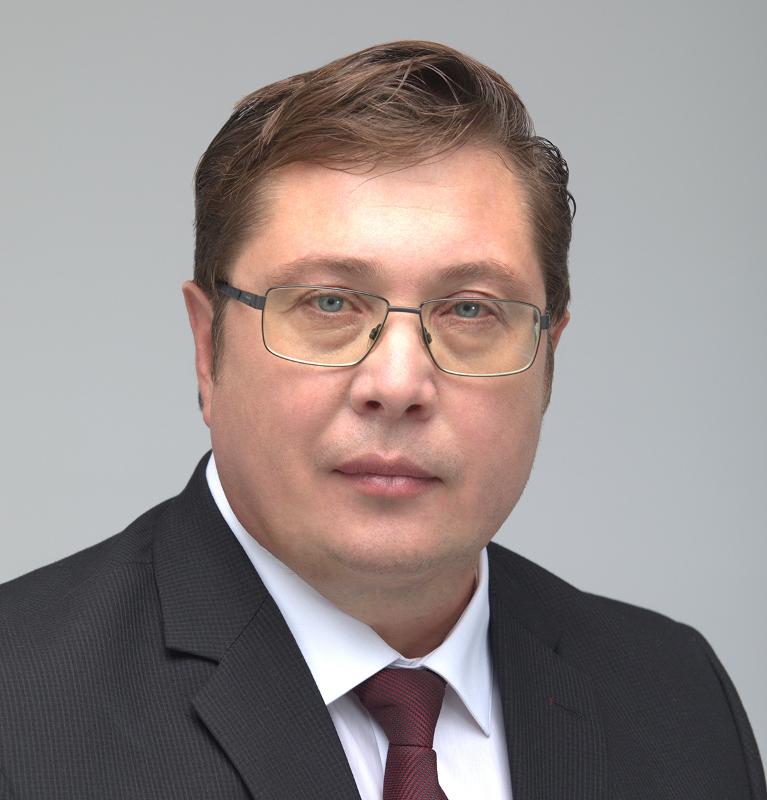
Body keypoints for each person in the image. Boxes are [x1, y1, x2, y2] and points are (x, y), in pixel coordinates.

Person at [0, 40, 763, 800]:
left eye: (470, 310)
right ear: (207, 347)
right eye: (328, 302)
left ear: (546, 358)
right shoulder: (20, 701)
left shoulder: (676, 700)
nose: (397, 385)